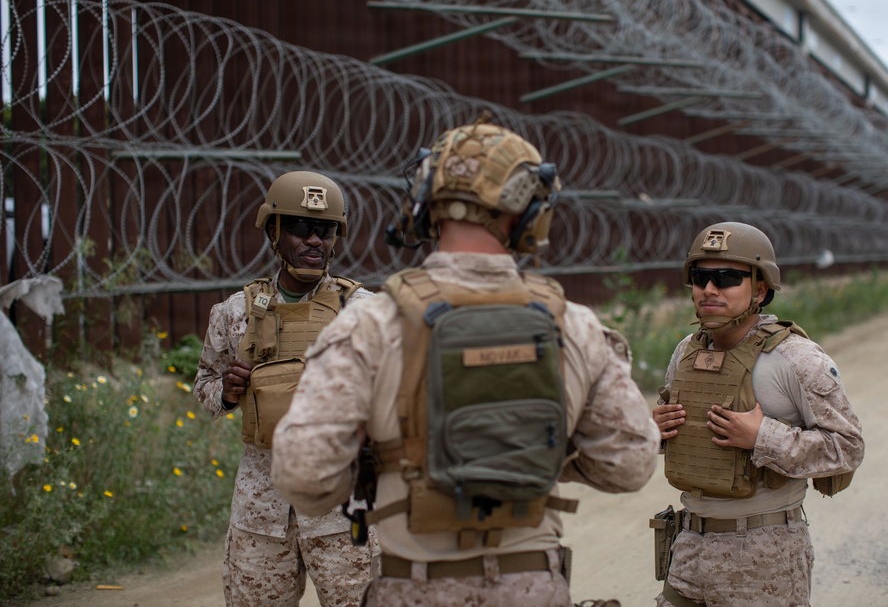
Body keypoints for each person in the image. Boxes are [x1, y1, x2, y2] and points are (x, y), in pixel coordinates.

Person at [271, 120, 659, 607]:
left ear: (424, 202)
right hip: (531, 590)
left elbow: (303, 474)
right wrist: (531, 453)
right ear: (527, 209)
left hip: (412, 589)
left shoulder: (369, 324)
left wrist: (383, 459)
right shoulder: (574, 325)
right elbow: (631, 464)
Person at [651, 222, 864, 606]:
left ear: (760, 289)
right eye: (701, 277)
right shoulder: (686, 351)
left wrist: (763, 437)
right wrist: (656, 431)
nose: (710, 289)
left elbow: (848, 447)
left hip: (764, 556)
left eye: (729, 278)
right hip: (688, 549)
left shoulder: (796, 358)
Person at [193, 170, 375, 607]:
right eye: (300, 227)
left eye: (326, 230)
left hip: (341, 507)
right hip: (261, 509)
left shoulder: (364, 311)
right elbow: (204, 387)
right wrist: (228, 392)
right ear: (274, 232)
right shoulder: (234, 313)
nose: (315, 240)